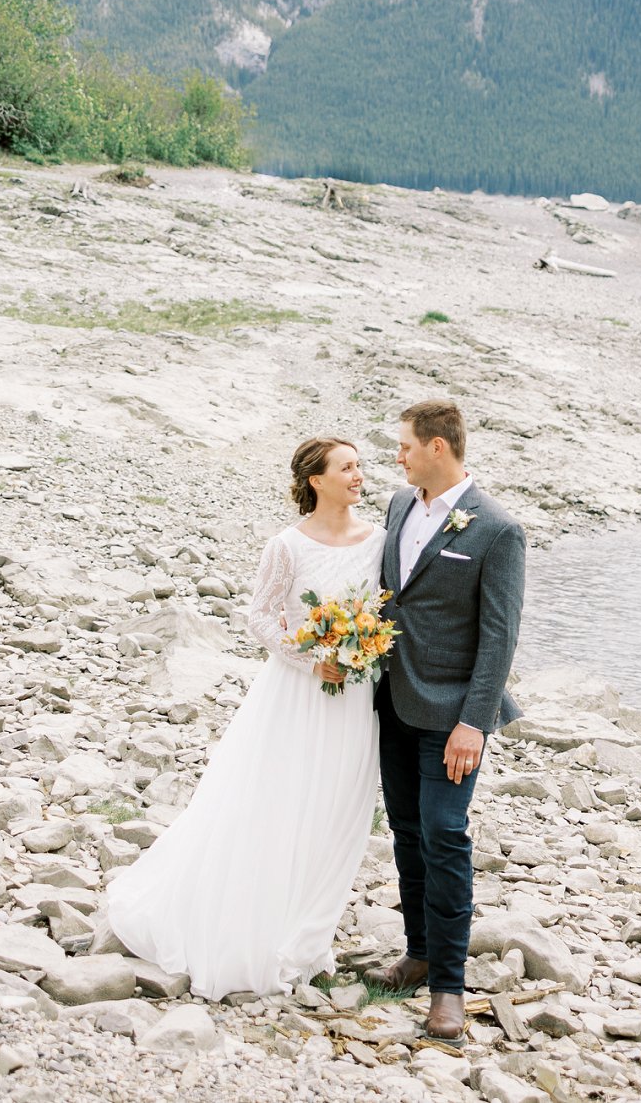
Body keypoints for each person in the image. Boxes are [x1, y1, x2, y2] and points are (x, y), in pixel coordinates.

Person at [105, 437, 384, 1000]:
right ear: (317, 481)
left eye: (359, 466)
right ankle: (252, 929)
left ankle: (308, 934)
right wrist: (312, 659)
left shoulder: (379, 540)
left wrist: (361, 649)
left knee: (337, 809)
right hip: (296, 694)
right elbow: (259, 617)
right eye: (347, 467)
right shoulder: (286, 546)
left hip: (357, 695)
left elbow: (387, 606)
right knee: (277, 803)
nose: (359, 475)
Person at [374, 398, 526, 1046]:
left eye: (405, 444)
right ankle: (418, 952)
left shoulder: (497, 528)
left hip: (453, 713)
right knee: (407, 829)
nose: (398, 455)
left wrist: (475, 722)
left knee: (445, 832)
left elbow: (499, 637)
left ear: (439, 446)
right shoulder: (398, 506)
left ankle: (449, 988)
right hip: (392, 698)